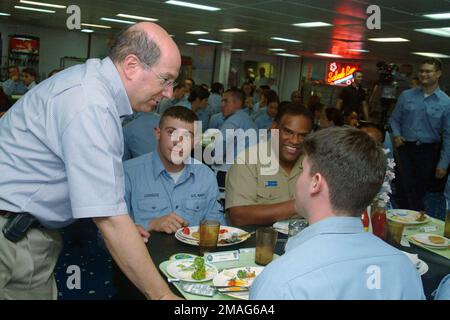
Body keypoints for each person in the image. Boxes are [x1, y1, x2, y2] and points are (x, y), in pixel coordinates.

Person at [0, 22, 181, 300]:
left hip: (28, 234)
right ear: (132, 65)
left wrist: (119, 225)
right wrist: (164, 298)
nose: (169, 92)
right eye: (165, 79)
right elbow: (109, 219)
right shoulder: (90, 102)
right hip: (11, 238)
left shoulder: (93, 88)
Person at [250, 127, 425, 300]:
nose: (298, 177)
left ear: (315, 183)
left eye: (302, 170)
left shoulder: (281, 282)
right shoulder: (404, 269)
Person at [124, 106, 225, 234]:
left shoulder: (205, 176)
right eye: (171, 132)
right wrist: (150, 225)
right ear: (158, 133)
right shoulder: (129, 173)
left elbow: (218, 230)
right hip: (145, 253)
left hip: (195, 253)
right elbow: (105, 236)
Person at [226, 104, 313, 226]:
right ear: (274, 128)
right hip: (258, 241)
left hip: (304, 239)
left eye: (302, 135)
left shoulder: (314, 163)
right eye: (288, 132)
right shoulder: (248, 160)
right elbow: (238, 216)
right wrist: (299, 205)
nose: (295, 140)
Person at [389, 58, 450, 211]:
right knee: (403, 186)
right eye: (421, 71)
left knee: (420, 190)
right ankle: (403, 218)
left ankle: (414, 219)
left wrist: (443, 164)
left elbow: (449, 135)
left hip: (428, 152)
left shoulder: (446, 102)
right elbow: (394, 119)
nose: (423, 74)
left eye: (428, 71)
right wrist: (396, 135)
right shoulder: (406, 96)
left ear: (438, 74)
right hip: (405, 148)